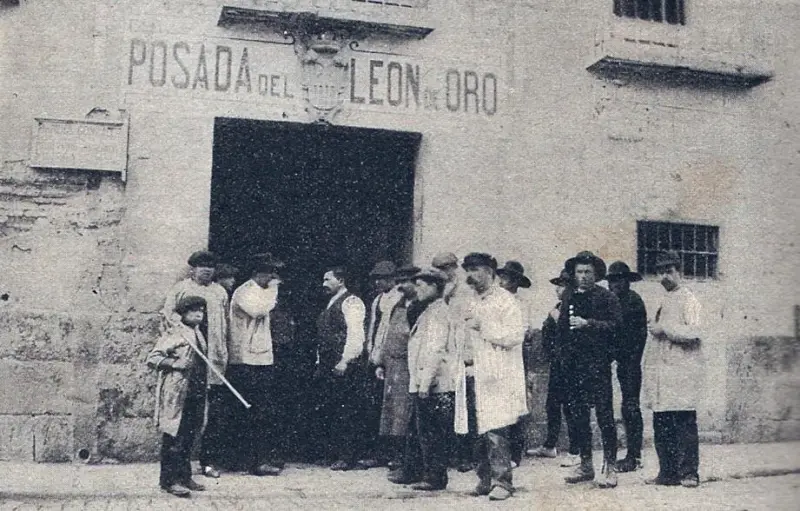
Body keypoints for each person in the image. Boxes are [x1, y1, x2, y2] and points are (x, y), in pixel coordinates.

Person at [457, 253, 527, 501]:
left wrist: (483, 327)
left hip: (499, 373)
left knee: (496, 428)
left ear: (489, 272)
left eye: (475, 270)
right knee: (478, 430)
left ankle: (502, 482)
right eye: (468, 270)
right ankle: (484, 478)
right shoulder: (472, 301)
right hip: (475, 371)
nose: (470, 275)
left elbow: (515, 336)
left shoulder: (505, 301)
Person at [161, 250, 229, 479]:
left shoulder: (219, 292)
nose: (206, 270)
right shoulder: (181, 289)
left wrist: (223, 352)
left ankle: (207, 461)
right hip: (190, 357)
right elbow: (168, 316)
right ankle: (179, 470)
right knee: (183, 417)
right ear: (193, 269)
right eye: (202, 266)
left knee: (210, 414)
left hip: (214, 358)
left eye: (210, 266)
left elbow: (225, 324)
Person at [389, 267, 457, 491]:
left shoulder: (438, 313)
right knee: (421, 429)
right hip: (425, 380)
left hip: (434, 382)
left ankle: (435, 476)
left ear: (434, 287)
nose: (416, 289)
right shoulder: (430, 310)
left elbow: (435, 350)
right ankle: (419, 471)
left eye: (421, 285)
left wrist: (425, 383)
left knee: (431, 431)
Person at [558, 251, 622, 488]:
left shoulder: (607, 297)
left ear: (596, 275)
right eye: (579, 272)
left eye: (587, 272)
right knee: (578, 417)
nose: (583, 276)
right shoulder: (569, 296)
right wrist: (563, 357)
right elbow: (562, 329)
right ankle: (586, 465)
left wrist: (589, 324)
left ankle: (610, 467)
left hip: (597, 365)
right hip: (573, 366)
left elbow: (617, 327)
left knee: (605, 416)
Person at [226, 255, 291, 476]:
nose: (273, 277)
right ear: (258, 273)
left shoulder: (262, 290)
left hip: (262, 357)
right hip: (246, 359)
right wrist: (274, 289)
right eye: (269, 272)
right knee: (251, 410)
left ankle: (260, 458)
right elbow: (259, 310)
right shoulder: (244, 292)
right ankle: (251, 461)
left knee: (264, 409)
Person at [646, 250, 703, 488]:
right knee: (662, 423)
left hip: (681, 372)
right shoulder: (662, 299)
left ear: (680, 272)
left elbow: (695, 332)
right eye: (660, 272)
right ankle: (667, 473)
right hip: (662, 373)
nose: (664, 277)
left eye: (669, 271)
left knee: (684, 423)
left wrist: (664, 329)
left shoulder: (689, 299)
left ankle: (689, 473)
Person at [147, 296, 210, 497]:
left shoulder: (198, 333)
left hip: (196, 390)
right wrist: (175, 364)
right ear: (183, 314)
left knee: (190, 436)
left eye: (201, 311)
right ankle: (169, 481)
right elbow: (153, 358)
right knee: (175, 436)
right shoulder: (174, 333)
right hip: (178, 391)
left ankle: (184, 476)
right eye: (193, 311)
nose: (198, 314)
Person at [314, 266, 369, 471]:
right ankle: (335, 453)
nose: (324, 284)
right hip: (329, 363)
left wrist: (345, 360)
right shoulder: (331, 302)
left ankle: (348, 456)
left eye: (328, 280)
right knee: (333, 409)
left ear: (341, 280)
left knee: (347, 411)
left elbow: (356, 335)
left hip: (344, 364)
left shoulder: (351, 302)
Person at [526, 269, 580, 466]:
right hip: (558, 362)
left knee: (572, 407)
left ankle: (576, 451)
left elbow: (574, 334)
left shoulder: (576, 306)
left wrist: (558, 318)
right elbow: (548, 332)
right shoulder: (558, 306)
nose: (557, 289)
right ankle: (550, 445)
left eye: (562, 285)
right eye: (557, 285)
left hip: (573, 364)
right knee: (552, 404)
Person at [431, 252, 476, 473]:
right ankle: (451, 453)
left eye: (444, 269)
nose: (441, 273)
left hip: (462, 353)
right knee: (447, 405)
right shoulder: (442, 290)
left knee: (464, 405)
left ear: (452, 268)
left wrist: (469, 355)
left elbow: (468, 325)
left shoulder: (465, 291)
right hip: (447, 353)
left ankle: (466, 455)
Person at [370, 264, 415, 472]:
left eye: (406, 281)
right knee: (389, 410)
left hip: (407, 363)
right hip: (390, 361)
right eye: (400, 281)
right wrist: (379, 360)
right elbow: (384, 331)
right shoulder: (395, 304)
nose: (402, 285)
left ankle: (402, 458)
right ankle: (389, 454)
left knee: (402, 411)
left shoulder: (415, 305)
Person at [606, 261, 648, 473]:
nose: (615, 284)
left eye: (619, 280)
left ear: (627, 281)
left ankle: (634, 456)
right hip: (620, 359)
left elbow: (628, 334)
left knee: (630, 406)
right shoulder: (612, 300)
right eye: (612, 280)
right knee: (625, 407)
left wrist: (619, 354)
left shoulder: (633, 301)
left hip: (630, 360)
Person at [360, 261, 401, 469]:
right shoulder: (378, 300)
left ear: (392, 279)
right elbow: (374, 327)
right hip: (375, 356)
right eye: (376, 279)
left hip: (391, 359)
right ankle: (378, 453)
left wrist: (384, 358)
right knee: (374, 407)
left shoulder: (399, 298)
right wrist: (371, 351)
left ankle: (394, 454)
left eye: (382, 278)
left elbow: (391, 330)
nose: (378, 282)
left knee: (394, 408)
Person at [496, 261, 534, 467]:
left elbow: (523, 330)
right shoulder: (494, 301)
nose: (502, 282)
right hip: (496, 356)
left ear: (516, 282)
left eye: (507, 278)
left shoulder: (521, 304)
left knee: (516, 402)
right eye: (501, 277)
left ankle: (514, 454)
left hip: (516, 357)